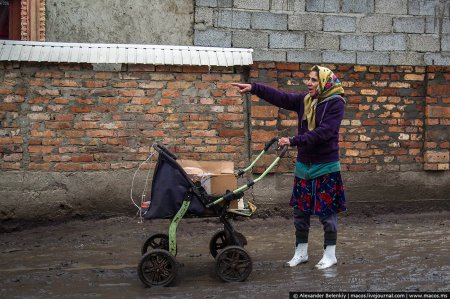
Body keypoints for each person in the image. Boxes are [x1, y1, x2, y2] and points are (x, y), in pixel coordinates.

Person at [232, 65, 346, 270]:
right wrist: (254, 87)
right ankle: (301, 253)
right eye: (308, 79)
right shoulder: (306, 101)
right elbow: (281, 98)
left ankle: (330, 254)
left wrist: (293, 140)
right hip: (304, 165)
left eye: (313, 80)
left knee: (326, 212)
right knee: (300, 211)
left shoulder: (336, 103)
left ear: (324, 83)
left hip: (326, 166)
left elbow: (325, 133)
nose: (309, 83)